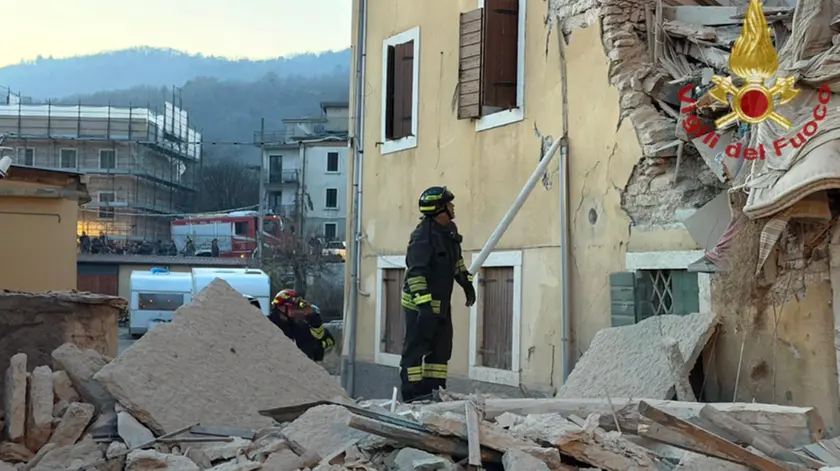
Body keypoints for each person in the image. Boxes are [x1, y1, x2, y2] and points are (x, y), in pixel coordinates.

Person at [399, 186, 476, 403]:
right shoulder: (422, 238)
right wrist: (424, 307)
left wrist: (466, 283)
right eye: (449, 204)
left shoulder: (449, 231)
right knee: (415, 351)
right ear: (439, 209)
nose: (453, 207)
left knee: (441, 351)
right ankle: (412, 396)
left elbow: (456, 262)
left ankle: (434, 392)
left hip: (441, 304)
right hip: (419, 307)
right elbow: (416, 275)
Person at [267, 289, 335, 361]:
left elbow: (320, 337)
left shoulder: (299, 328)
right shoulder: (267, 324)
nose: (297, 310)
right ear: (281, 307)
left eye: (297, 307)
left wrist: (313, 316)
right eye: (293, 307)